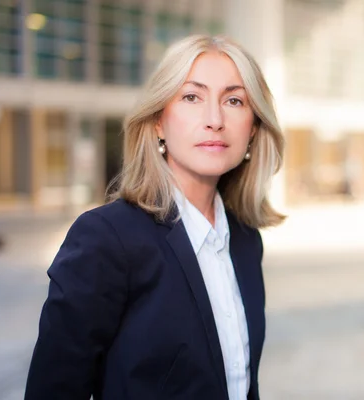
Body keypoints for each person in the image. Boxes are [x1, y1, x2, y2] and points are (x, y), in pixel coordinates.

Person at [24, 35, 285, 400]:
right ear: (159, 122)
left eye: (234, 100)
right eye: (192, 97)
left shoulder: (244, 240)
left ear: (254, 128)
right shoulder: (107, 239)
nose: (214, 119)